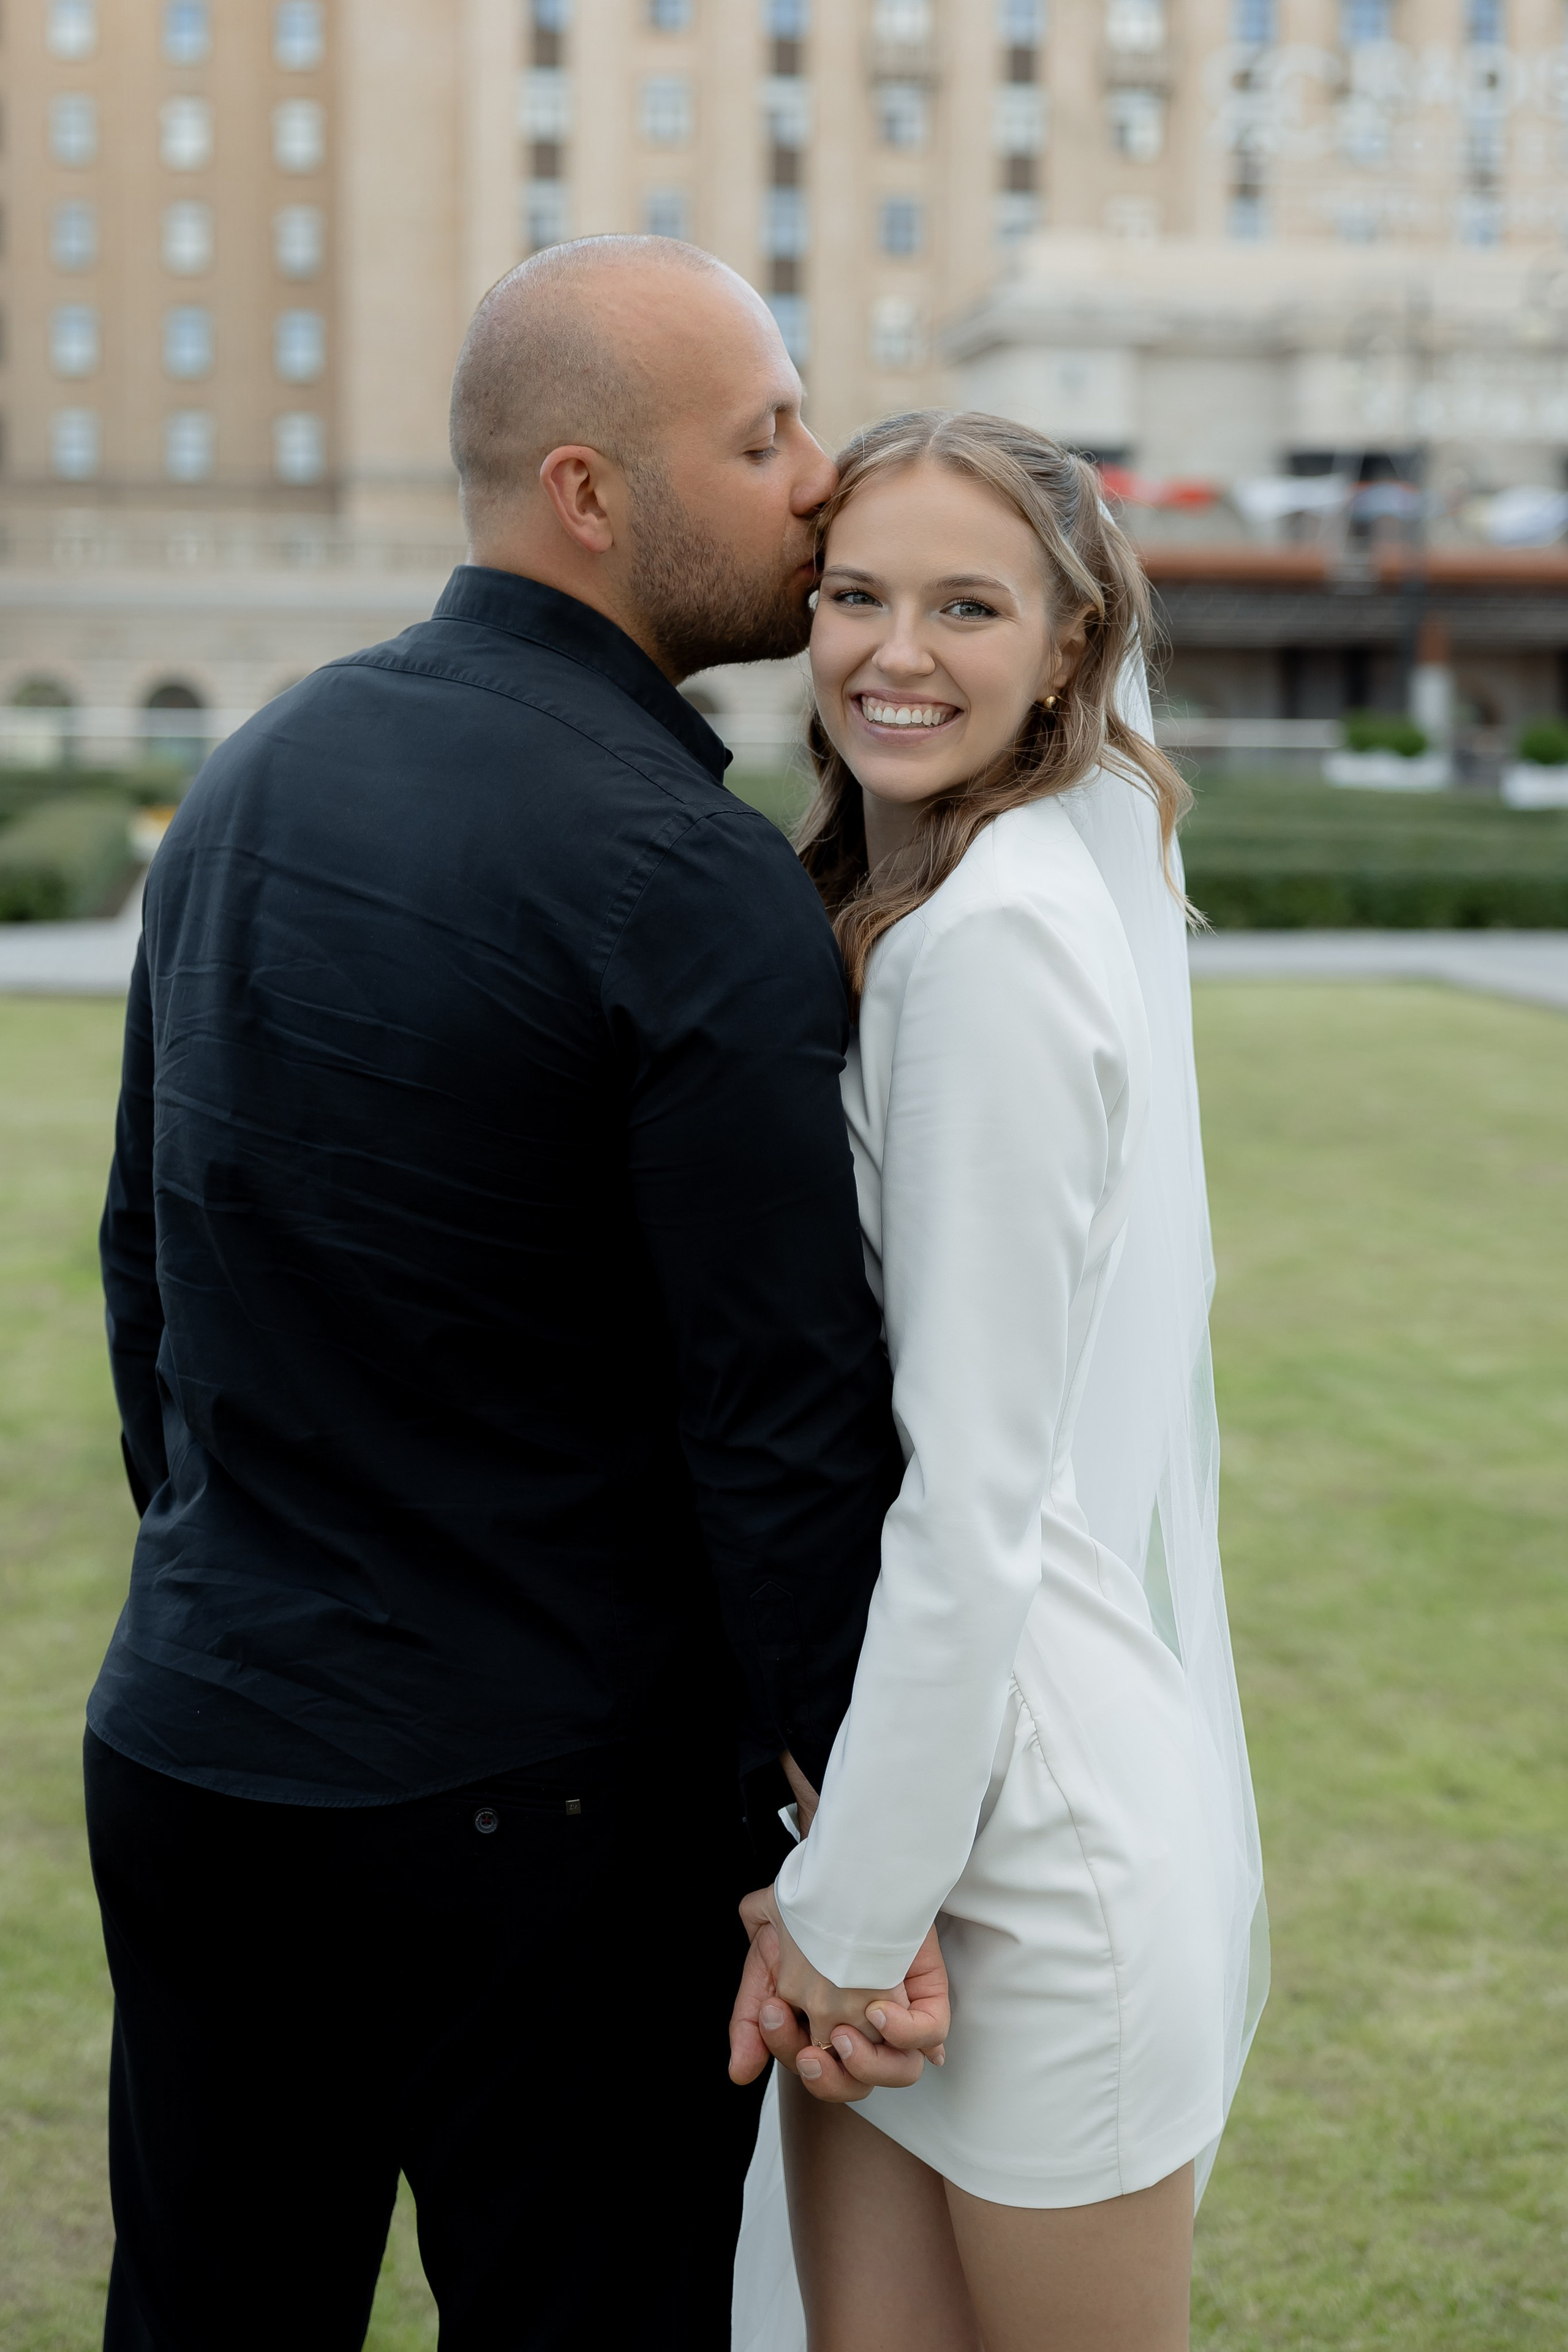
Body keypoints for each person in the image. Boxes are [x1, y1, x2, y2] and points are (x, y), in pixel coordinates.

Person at [86, 237, 923, 2351]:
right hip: (544, 1822)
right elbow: (785, 1419)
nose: (818, 480)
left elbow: (145, 1270)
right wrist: (861, 1854)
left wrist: (239, 1576)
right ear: (586, 493)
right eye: (761, 436)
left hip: (201, 1752)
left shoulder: (256, 769)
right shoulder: (683, 865)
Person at [727, 413, 1267, 2352]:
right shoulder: (922, 910)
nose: (897, 650)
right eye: (859, 595)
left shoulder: (997, 950)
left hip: (1029, 1870)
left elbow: (970, 1503)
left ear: (1068, 646)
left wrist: (844, 1919)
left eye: (969, 605)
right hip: (892, 1805)